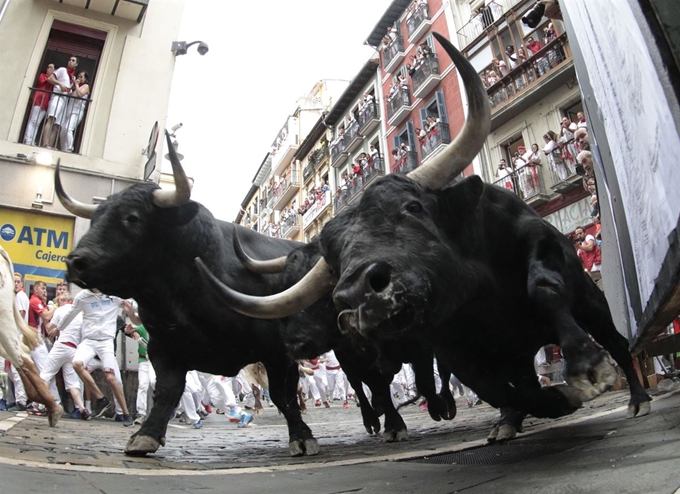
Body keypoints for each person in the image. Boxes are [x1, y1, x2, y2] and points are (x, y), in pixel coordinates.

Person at [57, 288, 134, 426]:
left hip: (106, 342)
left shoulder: (114, 295)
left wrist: (133, 314)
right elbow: (70, 313)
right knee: (76, 363)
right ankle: (100, 398)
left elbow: (132, 307)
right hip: (89, 341)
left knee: (111, 378)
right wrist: (58, 327)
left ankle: (126, 413)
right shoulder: (83, 296)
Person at [41, 292, 90, 420]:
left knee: (45, 375)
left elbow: (49, 330)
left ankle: (47, 406)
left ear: (61, 301)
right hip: (73, 349)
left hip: (61, 345)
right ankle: (82, 408)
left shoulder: (60, 310)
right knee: (72, 383)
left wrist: (45, 320)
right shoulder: (80, 314)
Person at [42, 56, 78, 149]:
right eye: (69, 60)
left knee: (57, 126)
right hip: (57, 97)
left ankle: (50, 145)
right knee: (51, 119)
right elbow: (50, 79)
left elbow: (68, 90)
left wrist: (70, 91)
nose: (70, 61)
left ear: (76, 64)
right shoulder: (62, 70)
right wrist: (60, 83)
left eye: (73, 61)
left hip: (64, 101)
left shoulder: (73, 78)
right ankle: (44, 144)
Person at [23, 63, 55, 146]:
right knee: (33, 120)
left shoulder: (53, 80)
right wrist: (51, 76)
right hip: (38, 99)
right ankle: (27, 139)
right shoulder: (42, 75)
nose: (49, 69)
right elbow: (41, 81)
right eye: (48, 67)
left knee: (37, 123)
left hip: (45, 102)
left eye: (51, 67)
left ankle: (32, 140)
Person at [60, 70, 90, 152]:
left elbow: (80, 94)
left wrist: (76, 84)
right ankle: (63, 149)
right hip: (69, 111)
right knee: (63, 131)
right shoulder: (76, 88)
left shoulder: (86, 86)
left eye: (81, 77)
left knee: (68, 129)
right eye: (78, 76)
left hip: (77, 112)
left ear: (85, 79)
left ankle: (70, 147)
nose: (79, 78)